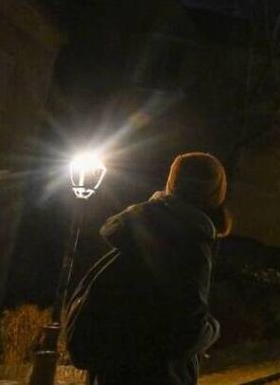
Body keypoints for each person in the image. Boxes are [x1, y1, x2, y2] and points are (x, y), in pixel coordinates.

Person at [84, 152, 230, 385]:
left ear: (172, 182)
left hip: (110, 371)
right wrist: (213, 327)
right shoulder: (190, 241)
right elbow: (188, 332)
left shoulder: (132, 229)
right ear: (216, 193)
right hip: (158, 374)